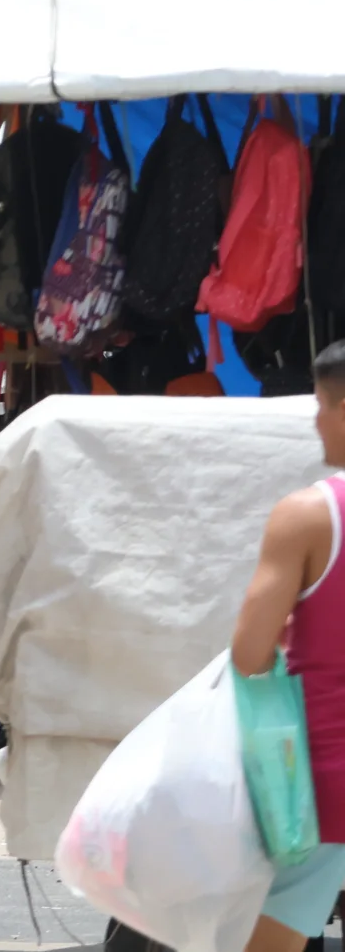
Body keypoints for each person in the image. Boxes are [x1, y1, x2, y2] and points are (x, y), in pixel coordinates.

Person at [230, 339, 345, 952]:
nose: (313, 421)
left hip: (324, 786)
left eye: (322, 405)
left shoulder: (308, 516)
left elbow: (248, 654)